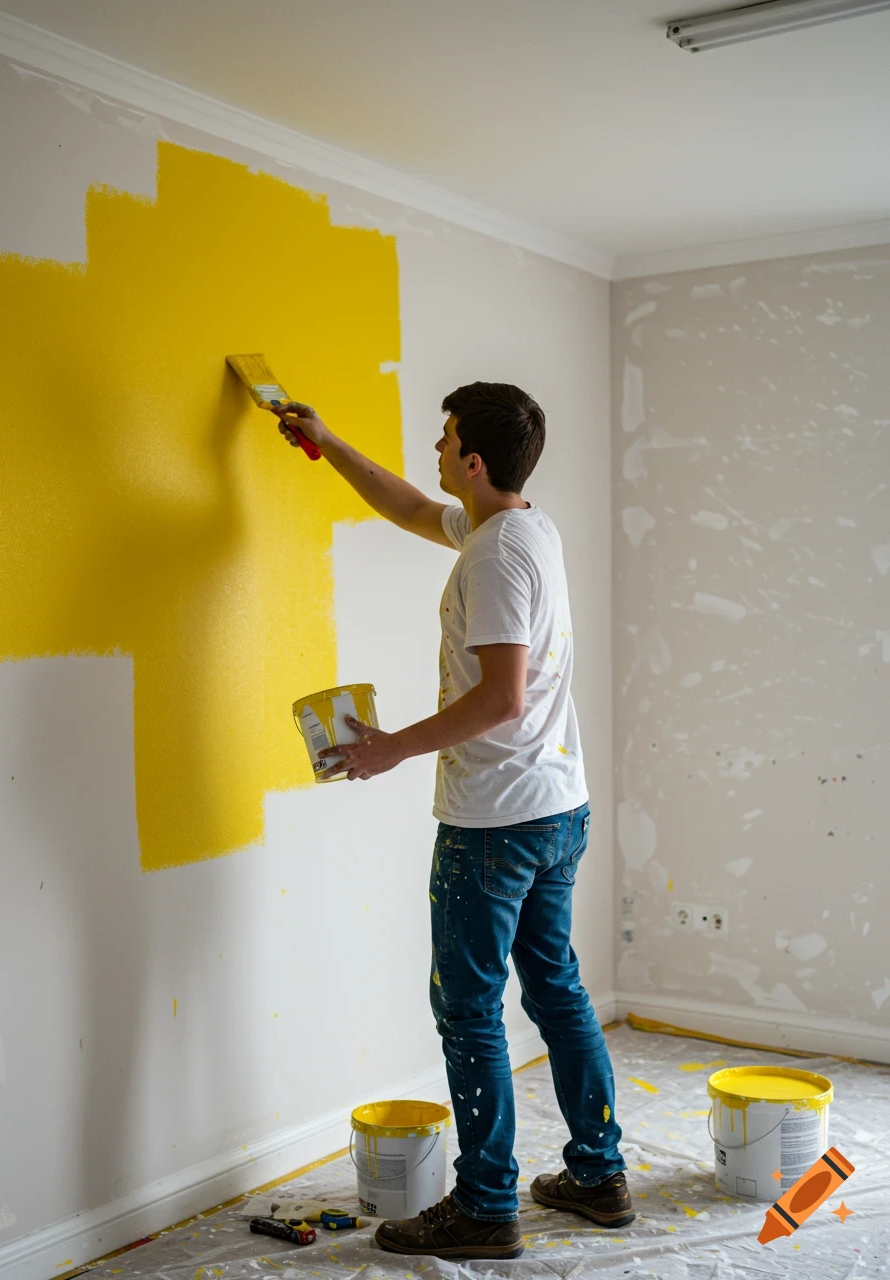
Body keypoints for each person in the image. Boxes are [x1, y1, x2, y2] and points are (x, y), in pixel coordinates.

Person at [271, 384, 633, 1262]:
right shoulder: (520, 527)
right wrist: (326, 441)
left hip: (495, 824)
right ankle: (598, 1175)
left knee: (468, 1011)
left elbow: (503, 699)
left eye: (444, 439)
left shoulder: (494, 559)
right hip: (555, 806)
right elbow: (407, 505)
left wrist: (390, 748)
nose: (434, 449)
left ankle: (485, 1207)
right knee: (556, 989)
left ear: (473, 460)